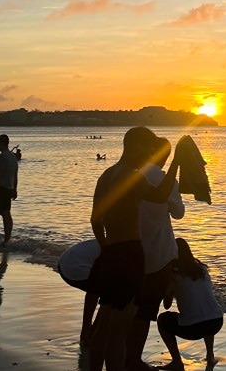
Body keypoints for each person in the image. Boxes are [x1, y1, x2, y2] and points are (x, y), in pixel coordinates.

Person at [87, 127, 185, 371]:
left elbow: (95, 219)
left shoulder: (107, 175)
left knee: (105, 323)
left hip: (111, 252)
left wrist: (105, 246)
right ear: (135, 146)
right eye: (148, 148)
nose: (150, 154)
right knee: (119, 328)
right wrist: (176, 164)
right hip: (129, 254)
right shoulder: (131, 176)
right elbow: (161, 196)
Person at [127, 137, 185, 370]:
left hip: (132, 250)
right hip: (160, 255)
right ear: (167, 157)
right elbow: (179, 213)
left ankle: (122, 353)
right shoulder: (166, 180)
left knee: (129, 308)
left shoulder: (132, 175)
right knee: (146, 312)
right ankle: (133, 359)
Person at [157, 238, 223, 369]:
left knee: (163, 319)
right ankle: (210, 355)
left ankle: (177, 361)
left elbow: (167, 305)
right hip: (216, 321)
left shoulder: (173, 274)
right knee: (205, 311)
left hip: (194, 328)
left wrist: (166, 289)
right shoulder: (202, 269)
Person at [58, 239, 101, 345]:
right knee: (109, 294)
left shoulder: (105, 241)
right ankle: (93, 333)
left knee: (98, 289)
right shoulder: (119, 249)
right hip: (75, 268)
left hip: (62, 262)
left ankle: (89, 330)